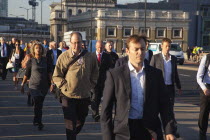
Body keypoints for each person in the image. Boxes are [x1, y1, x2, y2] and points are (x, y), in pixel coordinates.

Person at [101, 35, 176, 140]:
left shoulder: (155, 74)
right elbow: (106, 110)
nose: (140, 52)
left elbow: (165, 104)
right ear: (127, 51)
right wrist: (108, 137)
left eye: (142, 49)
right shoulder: (115, 75)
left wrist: (169, 130)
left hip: (150, 131)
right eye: (136, 49)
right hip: (124, 132)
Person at [52, 32, 98, 140]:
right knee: (70, 123)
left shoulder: (90, 56)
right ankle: (71, 136)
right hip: (68, 96)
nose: (76, 45)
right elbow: (56, 76)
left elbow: (95, 72)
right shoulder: (64, 56)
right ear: (70, 43)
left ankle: (72, 134)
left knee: (81, 120)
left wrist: (91, 84)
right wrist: (65, 87)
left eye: (78, 42)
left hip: (84, 96)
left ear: (82, 42)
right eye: (74, 43)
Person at [150, 38, 182, 138]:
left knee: (170, 111)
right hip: (158, 88)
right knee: (156, 110)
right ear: (162, 46)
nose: (168, 48)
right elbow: (150, 72)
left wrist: (178, 86)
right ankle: (155, 131)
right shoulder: (155, 58)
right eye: (166, 46)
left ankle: (172, 130)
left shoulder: (173, 58)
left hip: (170, 88)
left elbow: (175, 73)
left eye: (169, 46)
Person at [20, 41, 53, 130]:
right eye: (36, 48)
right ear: (33, 50)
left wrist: (52, 83)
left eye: (40, 48)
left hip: (44, 85)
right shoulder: (31, 61)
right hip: (33, 86)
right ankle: (39, 122)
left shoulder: (46, 60)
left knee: (39, 104)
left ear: (42, 50)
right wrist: (22, 84)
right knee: (38, 103)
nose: (38, 50)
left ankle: (36, 118)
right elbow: (27, 74)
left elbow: (50, 72)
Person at [91, 40, 112, 122]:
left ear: (103, 47)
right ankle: (95, 114)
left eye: (101, 47)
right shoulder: (91, 56)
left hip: (104, 81)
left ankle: (104, 113)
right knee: (94, 98)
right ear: (96, 47)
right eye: (98, 47)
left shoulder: (107, 56)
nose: (100, 49)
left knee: (103, 98)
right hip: (94, 81)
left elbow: (110, 68)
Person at [197, 54, 210, 140]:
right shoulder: (207, 58)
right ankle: (202, 135)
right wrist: (205, 89)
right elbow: (198, 77)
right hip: (206, 88)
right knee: (204, 114)